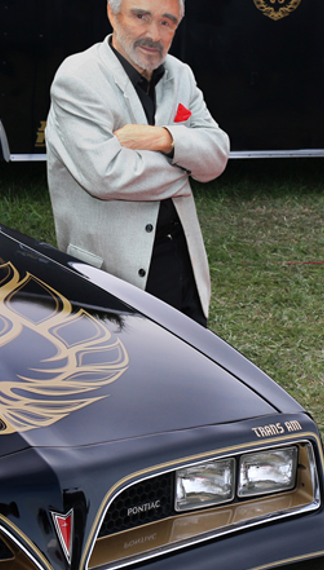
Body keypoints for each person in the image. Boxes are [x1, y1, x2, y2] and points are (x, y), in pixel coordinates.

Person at [45, 0, 228, 326]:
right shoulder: (78, 77)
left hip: (183, 262)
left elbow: (217, 156)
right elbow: (106, 176)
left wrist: (164, 138)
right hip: (113, 271)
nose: (153, 34)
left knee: (189, 353)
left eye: (166, 22)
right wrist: (187, 163)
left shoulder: (180, 74)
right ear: (112, 13)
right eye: (141, 16)